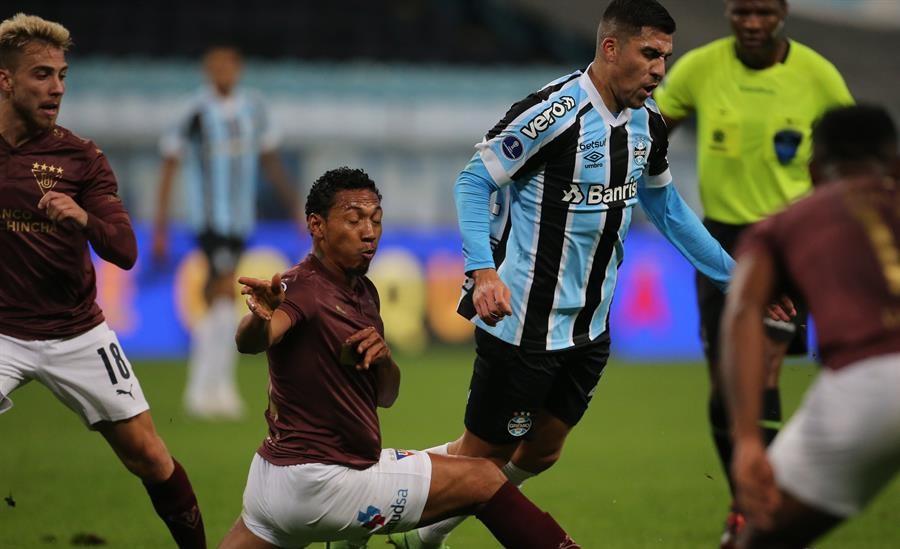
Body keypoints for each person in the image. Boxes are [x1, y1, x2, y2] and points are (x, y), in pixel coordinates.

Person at [391, 1, 741, 547]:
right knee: (483, 460)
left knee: (542, 451)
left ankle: (413, 517)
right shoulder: (554, 114)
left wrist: (734, 278)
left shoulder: (648, 125)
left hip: (590, 326)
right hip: (524, 324)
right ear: (610, 48)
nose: (659, 70)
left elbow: (668, 210)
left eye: (666, 58)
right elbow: (472, 182)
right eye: (649, 54)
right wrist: (483, 272)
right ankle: (386, 510)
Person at [217, 167, 580, 549]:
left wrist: (384, 361)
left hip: (274, 482)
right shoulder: (301, 287)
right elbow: (253, 341)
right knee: (483, 479)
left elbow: (386, 396)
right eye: (354, 220)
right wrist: (259, 317)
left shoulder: (364, 293)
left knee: (453, 464)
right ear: (317, 225)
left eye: (376, 220)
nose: (369, 232)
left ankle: (356, 537)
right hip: (323, 482)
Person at [651, 0, 854, 544]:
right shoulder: (700, 68)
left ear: (783, 12)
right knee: (725, 388)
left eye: (764, 12)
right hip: (719, 243)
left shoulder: (816, 75)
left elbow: (851, 147)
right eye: (743, 11)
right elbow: (651, 130)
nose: (753, 23)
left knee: (762, 367)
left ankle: (760, 508)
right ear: (728, 12)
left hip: (791, 243)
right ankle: (747, 499)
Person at [0, 13, 206, 548]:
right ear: (5, 80)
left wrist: (84, 219)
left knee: (150, 456)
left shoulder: (81, 158)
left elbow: (127, 250)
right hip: (2, 334)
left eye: (62, 75)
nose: (57, 89)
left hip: (76, 334)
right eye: (42, 75)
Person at [721, 104, 900, 549]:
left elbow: (743, 315)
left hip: (869, 385)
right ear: (894, 162)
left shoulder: (787, 223)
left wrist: (747, 441)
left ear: (815, 169)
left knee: (762, 537)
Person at [153, 45, 300, 420]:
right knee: (219, 290)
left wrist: (295, 205)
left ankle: (211, 385)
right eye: (215, 67)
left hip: (240, 221)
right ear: (207, 71)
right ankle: (208, 388)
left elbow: (269, 158)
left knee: (220, 297)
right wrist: (160, 225)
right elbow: (170, 163)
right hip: (209, 219)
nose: (223, 72)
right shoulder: (196, 111)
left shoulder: (253, 108)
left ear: (238, 68)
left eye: (229, 66)